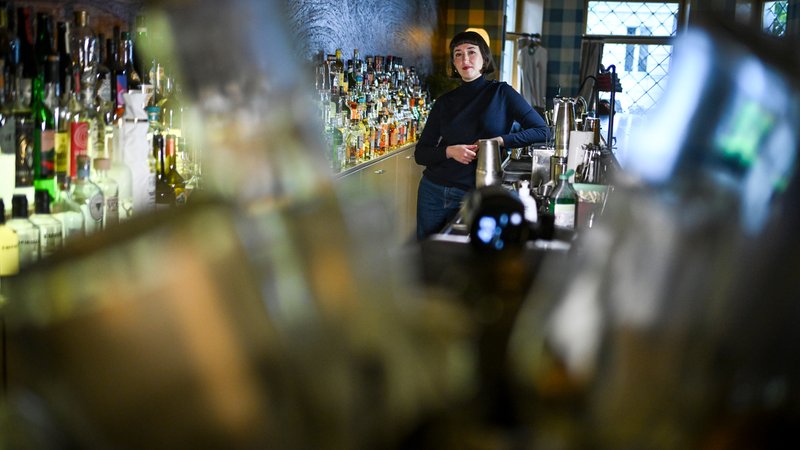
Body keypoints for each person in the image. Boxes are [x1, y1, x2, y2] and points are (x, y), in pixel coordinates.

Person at [414, 30, 550, 240]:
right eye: (458, 54)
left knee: (468, 254)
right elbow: (421, 154)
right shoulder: (444, 102)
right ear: (453, 63)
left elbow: (543, 131)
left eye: (471, 52)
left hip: (474, 194)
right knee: (428, 253)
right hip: (433, 191)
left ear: (484, 59)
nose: (464, 59)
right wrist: (450, 151)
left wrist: (501, 141)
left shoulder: (502, 93)